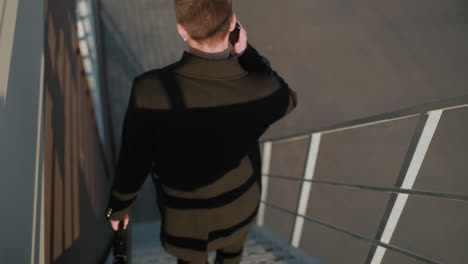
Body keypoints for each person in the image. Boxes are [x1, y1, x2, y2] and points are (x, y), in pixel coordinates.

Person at [105, 0, 298, 263]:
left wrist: (118, 208)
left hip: (185, 218)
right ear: (233, 24)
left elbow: (133, 160)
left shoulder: (148, 90)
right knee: (232, 256)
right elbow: (288, 98)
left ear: (181, 30)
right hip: (238, 206)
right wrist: (246, 54)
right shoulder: (262, 90)